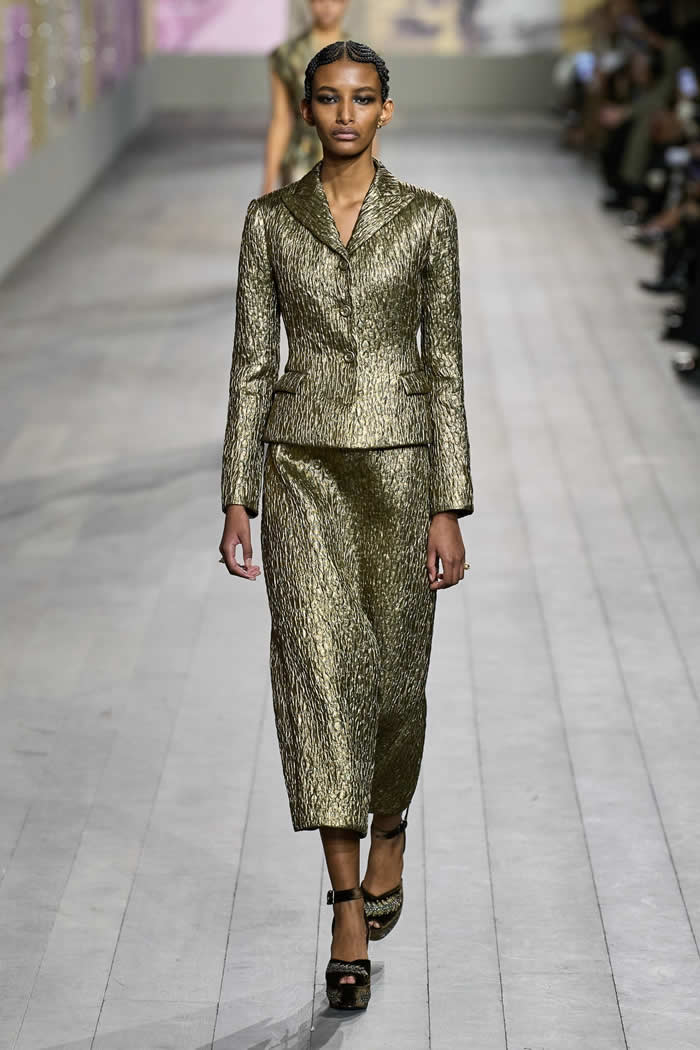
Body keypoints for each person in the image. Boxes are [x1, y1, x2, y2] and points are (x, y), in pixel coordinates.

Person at [219, 39, 474, 1011]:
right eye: (328, 98)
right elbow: (252, 361)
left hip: (403, 470)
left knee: (396, 686)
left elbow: (444, 364)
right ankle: (343, 908)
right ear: (310, 108)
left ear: (385, 110)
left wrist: (449, 502)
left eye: (362, 98)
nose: (343, 115)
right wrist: (237, 493)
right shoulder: (270, 222)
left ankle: (390, 822)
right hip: (302, 470)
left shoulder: (429, 219)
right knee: (321, 682)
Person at [262, 0, 351, 192]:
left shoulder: (362, 57)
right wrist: (268, 182)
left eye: (335, 0)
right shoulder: (288, 55)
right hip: (299, 162)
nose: (327, 6)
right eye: (320, 0)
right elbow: (281, 119)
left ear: (346, 3)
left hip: (348, 163)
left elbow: (368, 123)